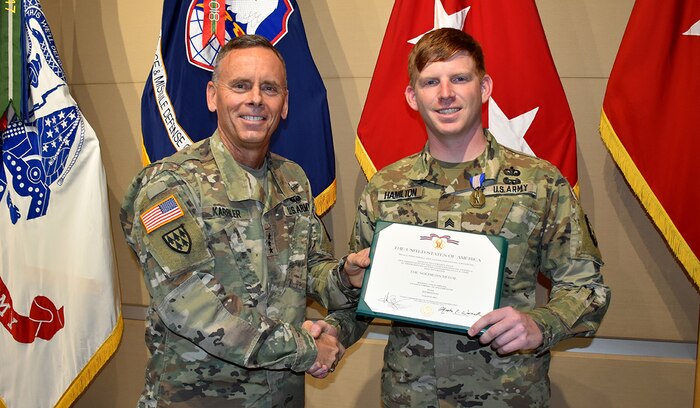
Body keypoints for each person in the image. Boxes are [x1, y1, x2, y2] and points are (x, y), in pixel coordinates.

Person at [326, 28, 611, 407]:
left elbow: (587, 289)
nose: (445, 94)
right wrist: (332, 332)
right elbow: (362, 299)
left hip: (507, 395)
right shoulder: (385, 187)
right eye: (431, 82)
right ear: (413, 96)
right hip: (411, 396)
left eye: (460, 78)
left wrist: (539, 325)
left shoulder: (538, 182)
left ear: (485, 87)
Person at [120, 34, 369, 407]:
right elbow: (191, 304)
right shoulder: (170, 185)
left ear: (284, 104)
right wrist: (303, 348)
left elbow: (309, 266)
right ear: (212, 95)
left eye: (269, 88)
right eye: (240, 85)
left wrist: (344, 277)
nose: (255, 99)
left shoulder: (292, 179)